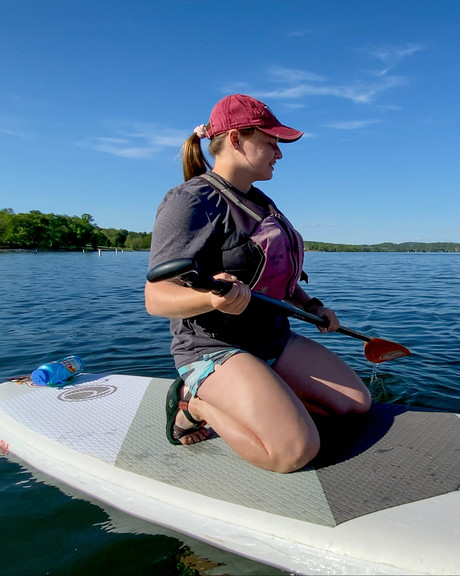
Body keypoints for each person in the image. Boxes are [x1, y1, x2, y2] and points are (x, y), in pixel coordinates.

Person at [145, 94, 371, 473]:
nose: (279, 153)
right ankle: (192, 401)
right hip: (213, 348)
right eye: (271, 142)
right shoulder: (190, 201)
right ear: (235, 139)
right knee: (293, 452)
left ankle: (268, 392)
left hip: (271, 340)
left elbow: (275, 276)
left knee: (355, 405)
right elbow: (157, 297)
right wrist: (213, 300)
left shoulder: (263, 203)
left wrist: (310, 306)